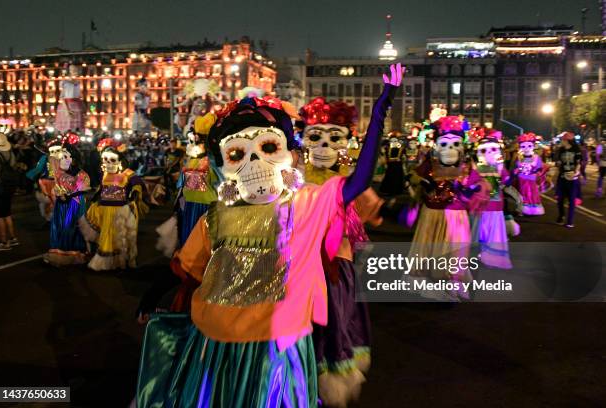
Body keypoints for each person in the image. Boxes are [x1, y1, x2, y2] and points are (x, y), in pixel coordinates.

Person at [135, 63, 402, 408]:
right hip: (217, 345)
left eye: (268, 147)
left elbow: (359, 181)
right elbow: (188, 273)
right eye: (237, 153)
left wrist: (379, 114)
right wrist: (157, 298)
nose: (254, 162)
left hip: (277, 348)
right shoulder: (214, 219)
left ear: (288, 154)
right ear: (223, 165)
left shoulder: (305, 206)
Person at [300, 95, 387, 406]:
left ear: (346, 142)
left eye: (334, 137)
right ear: (303, 139)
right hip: (297, 268)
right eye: (315, 136)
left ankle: (323, 386)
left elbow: (366, 190)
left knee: (332, 327)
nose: (324, 145)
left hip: (335, 266)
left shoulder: (345, 184)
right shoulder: (291, 180)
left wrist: (380, 112)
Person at [408, 116, 490, 300]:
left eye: (455, 144)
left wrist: (471, 191)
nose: (449, 150)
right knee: (429, 249)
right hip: (432, 214)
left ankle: (454, 281)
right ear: (436, 145)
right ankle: (431, 282)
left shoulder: (467, 166)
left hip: (456, 215)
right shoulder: (430, 164)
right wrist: (419, 190)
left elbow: (479, 185)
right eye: (444, 144)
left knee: (456, 249)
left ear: (462, 146)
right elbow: (416, 182)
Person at [79, 138, 148, 271]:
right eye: (106, 160)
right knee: (107, 236)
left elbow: (137, 183)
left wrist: (135, 192)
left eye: (112, 160)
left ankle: (119, 261)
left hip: (120, 211)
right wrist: (96, 199)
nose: (108, 163)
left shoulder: (127, 173)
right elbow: (102, 189)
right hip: (105, 209)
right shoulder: (105, 174)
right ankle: (106, 261)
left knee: (120, 237)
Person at [43, 133, 91, 266]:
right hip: (61, 204)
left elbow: (82, 189)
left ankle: (73, 254)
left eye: (65, 156)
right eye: (61, 156)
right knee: (57, 227)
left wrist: (68, 195)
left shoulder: (80, 174)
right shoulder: (57, 169)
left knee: (69, 228)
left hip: (73, 204)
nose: (61, 158)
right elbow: (49, 157)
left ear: (73, 159)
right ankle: (58, 253)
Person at [471, 130, 514, 269]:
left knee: (493, 233)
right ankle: (482, 254)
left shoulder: (500, 168)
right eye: (486, 149)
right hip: (481, 206)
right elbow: (470, 184)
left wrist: (510, 176)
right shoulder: (477, 168)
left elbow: (507, 181)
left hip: (495, 206)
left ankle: (492, 256)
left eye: (493, 149)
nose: (489, 152)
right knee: (481, 232)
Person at [0, 132, 19, 251]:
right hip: (9, 186)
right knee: (7, 213)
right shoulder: (10, 154)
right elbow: (13, 167)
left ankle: (4, 242)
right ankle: (13, 238)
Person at [513, 133, 545, 216]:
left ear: (533, 146)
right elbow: (516, 167)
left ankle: (532, 209)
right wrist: (517, 170)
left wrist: (535, 172)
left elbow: (539, 168)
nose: (526, 148)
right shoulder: (519, 157)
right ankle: (521, 209)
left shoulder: (536, 157)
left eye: (529, 146)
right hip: (521, 179)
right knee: (521, 194)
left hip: (531, 178)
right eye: (523, 146)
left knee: (531, 193)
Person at [555, 132, 582, 228]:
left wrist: (576, 172)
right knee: (560, 199)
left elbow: (579, 162)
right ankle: (561, 216)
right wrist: (558, 166)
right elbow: (558, 162)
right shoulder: (560, 150)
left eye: (562, 139)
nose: (561, 141)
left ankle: (570, 221)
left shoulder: (576, 149)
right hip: (562, 177)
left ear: (567, 140)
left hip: (572, 178)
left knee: (572, 200)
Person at [55, 64, 84, 133]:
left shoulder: (78, 82)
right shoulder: (65, 82)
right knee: (68, 127)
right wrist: (66, 110)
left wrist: (83, 107)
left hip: (77, 106)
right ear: (69, 71)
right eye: (73, 70)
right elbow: (62, 97)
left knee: (76, 128)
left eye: (76, 70)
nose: (76, 71)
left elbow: (79, 97)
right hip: (68, 105)